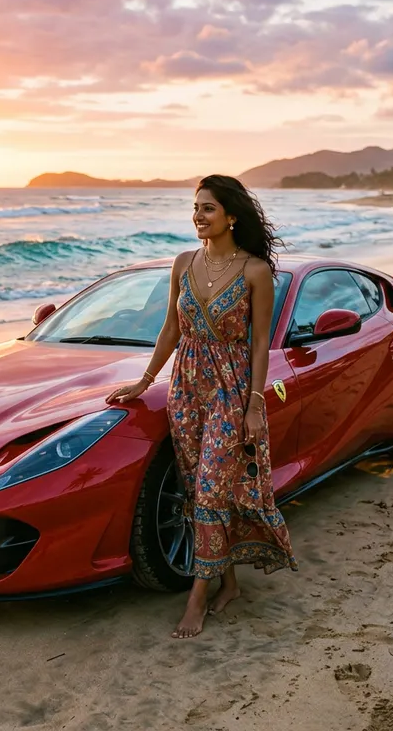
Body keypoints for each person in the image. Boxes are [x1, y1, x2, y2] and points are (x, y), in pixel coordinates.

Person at [106, 174, 297, 639]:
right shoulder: (182, 263)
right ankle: (227, 580)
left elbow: (258, 347)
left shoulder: (255, 271)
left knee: (212, 487)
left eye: (208, 208)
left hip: (231, 388)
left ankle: (199, 595)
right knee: (197, 489)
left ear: (231, 216)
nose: (198, 216)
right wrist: (145, 381)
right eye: (195, 208)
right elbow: (171, 328)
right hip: (186, 387)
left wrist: (254, 404)